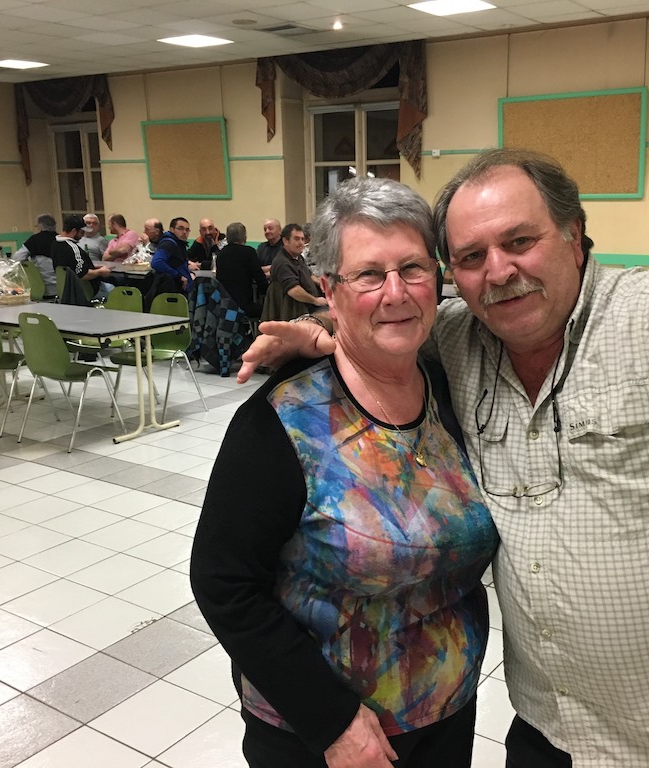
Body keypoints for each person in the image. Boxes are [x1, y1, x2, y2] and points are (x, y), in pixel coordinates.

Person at [238, 136, 649, 766]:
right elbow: (384, 315)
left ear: (575, 236)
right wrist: (322, 328)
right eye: (471, 256)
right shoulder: (458, 339)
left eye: (520, 241)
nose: (499, 271)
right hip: (554, 733)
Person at [191, 176, 498, 768]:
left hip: (446, 713)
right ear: (330, 290)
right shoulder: (285, 421)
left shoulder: (450, 388)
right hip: (325, 738)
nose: (395, 292)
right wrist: (329, 720)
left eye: (412, 268)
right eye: (369, 274)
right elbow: (222, 582)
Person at [269, 223, 327, 315]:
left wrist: (321, 283)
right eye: (296, 239)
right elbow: (294, 291)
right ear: (285, 241)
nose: (301, 243)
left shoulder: (298, 257)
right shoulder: (282, 263)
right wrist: (315, 300)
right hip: (299, 310)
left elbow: (309, 275)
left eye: (302, 239)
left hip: (309, 305)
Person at [50, 214, 112, 298]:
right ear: (74, 231)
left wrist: (93, 267)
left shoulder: (55, 244)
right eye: (82, 232)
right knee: (113, 290)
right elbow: (82, 274)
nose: (83, 235)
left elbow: (72, 266)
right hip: (85, 291)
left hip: (66, 289)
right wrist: (100, 272)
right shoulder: (73, 248)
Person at [213, 221, 267, 319]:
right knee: (269, 309)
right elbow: (260, 280)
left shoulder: (221, 254)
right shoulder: (249, 252)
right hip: (243, 306)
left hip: (224, 306)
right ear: (244, 237)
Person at [14, 213, 58, 296]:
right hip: (62, 288)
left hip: (40, 289)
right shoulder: (61, 241)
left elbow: (16, 258)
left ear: (40, 226)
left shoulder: (34, 240)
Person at [151, 217, 195, 294]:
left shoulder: (179, 243)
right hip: (175, 291)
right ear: (172, 229)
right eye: (180, 228)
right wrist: (178, 276)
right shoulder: (169, 243)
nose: (184, 232)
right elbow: (156, 263)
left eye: (187, 229)